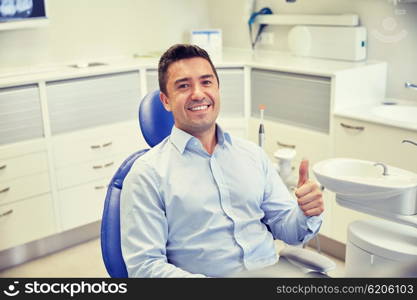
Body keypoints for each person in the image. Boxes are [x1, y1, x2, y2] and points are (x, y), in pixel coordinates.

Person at [120, 44, 324, 278]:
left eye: (206, 82)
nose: (198, 93)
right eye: (184, 86)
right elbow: (145, 268)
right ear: (166, 101)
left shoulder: (252, 155)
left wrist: (306, 213)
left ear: (217, 89)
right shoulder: (147, 174)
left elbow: (287, 228)